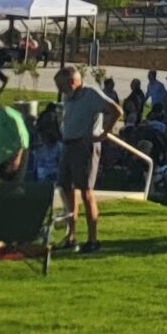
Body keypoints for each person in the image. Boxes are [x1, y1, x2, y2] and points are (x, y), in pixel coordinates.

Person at [50, 65, 121, 255]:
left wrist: (104, 133)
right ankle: (70, 236)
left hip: (84, 146)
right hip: (68, 144)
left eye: (61, 86)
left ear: (72, 81)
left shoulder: (91, 94)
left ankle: (92, 239)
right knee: (66, 188)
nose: (60, 90)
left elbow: (116, 111)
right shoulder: (69, 97)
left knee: (86, 191)